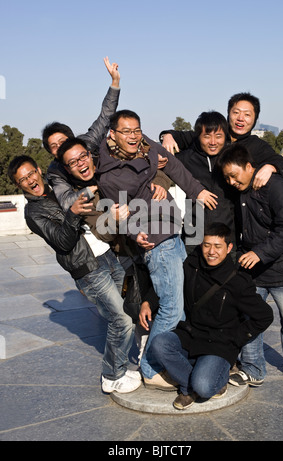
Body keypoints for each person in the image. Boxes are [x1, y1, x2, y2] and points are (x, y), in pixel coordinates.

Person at [7, 155, 142, 394]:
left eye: (31, 174)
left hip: (108, 255)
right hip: (88, 269)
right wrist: (72, 213)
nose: (30, 180)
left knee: (129, 310)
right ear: (19, 186)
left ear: (39, 170)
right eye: (23, 179)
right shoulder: (33, 213)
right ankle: (112, 375)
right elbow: (62, 242)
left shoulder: (60, 187)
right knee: (119, 318)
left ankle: (118, 365)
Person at [95, 109, 207, 390]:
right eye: (126, 131)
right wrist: (135, 232)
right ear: (113, 134)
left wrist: (196, 191)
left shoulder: (144, 144)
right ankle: (149, 367)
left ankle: (171, 358)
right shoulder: (109, 174)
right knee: (171, 310)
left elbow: (173, 166)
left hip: (173, 231)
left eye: (137, 129)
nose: (133, 136)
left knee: (178, 307)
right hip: (156, 241)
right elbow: (118, 211)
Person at [149, 222, 273, 410]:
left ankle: (210, 379)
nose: (211, 252)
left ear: (229, 247)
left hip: (219, 343)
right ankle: (191, 386)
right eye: (207, 245)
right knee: (159, 343)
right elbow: (169, 279)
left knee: (205, 386)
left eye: (217, 246)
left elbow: (265, 315)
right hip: (192, 334)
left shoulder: (238, 281)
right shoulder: (192, 264)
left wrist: (236, 339)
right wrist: (147, 301)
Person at [219, 144, 283, 386]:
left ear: (249, 167)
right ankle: (253, 368)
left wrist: (259, 253)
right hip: (254, 270)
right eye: (227, 178)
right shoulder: (241, 191)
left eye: (234, 175)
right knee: (250, 318)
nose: (231, 182)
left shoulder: (276, 186)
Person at [159, 92, 283, 188]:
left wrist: (271, 167)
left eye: (247, 114)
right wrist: (167, 135)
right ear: (228, 113)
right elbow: (181, 137)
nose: (240, 118)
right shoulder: (214, 137)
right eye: (236, 112)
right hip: (199, 216)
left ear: (255, 119)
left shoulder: (257, 146)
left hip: (234, 219)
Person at [46, 57, 121, 211]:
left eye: (62, 141)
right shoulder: (55, 171)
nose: (60, 147)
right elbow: (66, 202)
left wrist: (115, 82)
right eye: (54, 146)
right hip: (93, 206)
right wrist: (92, 188)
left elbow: (106, 117)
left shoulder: (87, 142)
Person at [174, 111, 237, 254]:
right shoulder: (187, 158)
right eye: (207, 136)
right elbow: (161, 166)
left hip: (226, 238)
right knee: (192, 276)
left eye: (218, 136)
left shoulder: (233, 156)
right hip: (193, 238)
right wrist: (166, 136)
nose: (213, 142)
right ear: (198, 137)